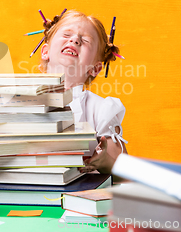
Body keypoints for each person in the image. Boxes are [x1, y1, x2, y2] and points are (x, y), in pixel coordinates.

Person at [39, 10, 127, 174]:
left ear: (96, 68)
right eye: (66, 34)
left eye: (86, 40)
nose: (75, 40)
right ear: (45, 51)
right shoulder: (20, 99)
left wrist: (105, 159)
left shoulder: (100, 108)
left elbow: (121, 163)